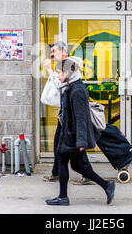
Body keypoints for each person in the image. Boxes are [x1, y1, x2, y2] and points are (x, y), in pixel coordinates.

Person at [45, 59, 115, 206]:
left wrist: (81, 141)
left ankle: (63, 197)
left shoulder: (77, 90)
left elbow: (81, 118)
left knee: (63, 161)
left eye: (59, 73)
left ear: (67, 73)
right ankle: (106, 185)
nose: (58, 76)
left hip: (72, 135)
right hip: (69, 133)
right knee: (76, 165)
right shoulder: (70, 86)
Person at [41, 42, 93, 185]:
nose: (52, 54)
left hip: (70, 114)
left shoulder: (71, 64)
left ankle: (88, 174)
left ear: (63, 51)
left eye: (54, 50)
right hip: (64, 113)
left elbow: (59, 85)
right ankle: (57, 173)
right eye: (51, 51)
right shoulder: (62, 66)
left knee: (74, 146)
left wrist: (50, 71)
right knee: (60, 143)